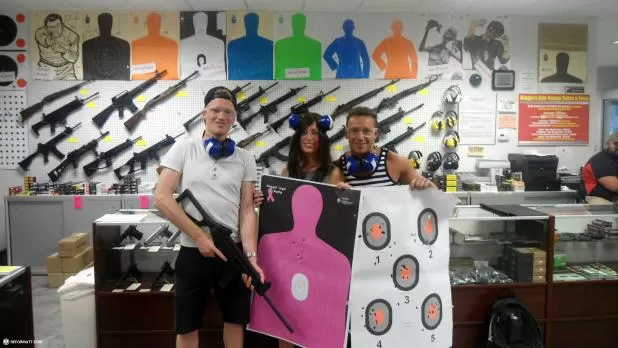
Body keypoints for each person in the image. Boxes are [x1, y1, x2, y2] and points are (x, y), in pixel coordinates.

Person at [154, 86, 264, 348]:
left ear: (234, 117)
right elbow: (162, 197)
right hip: (193, 252)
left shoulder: (246, 157)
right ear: (204, 113)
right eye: (215, 110)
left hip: (232, 254)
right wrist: (199, 236)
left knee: (236, 321)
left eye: (228, 112)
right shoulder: (183, 149)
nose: (221, 116)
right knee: (187, 325)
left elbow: (247, 211)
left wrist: (251, 259)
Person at [252, 111, 346, 348]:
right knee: (287, 325)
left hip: (318, 259)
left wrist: (346, 195)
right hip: (292, 258)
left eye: (315, 132)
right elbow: (278, 213)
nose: (309, 137)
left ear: (323, 138)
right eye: (304, 132)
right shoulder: (287, 171)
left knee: (316, 326)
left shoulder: (333, 173)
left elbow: (339, 217)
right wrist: (262, 200)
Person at [331, 106, 436, 189]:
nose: (360, 137)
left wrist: (427, 186)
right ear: (346, 134)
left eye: (366, 131)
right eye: (354, 130)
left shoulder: (397, 161)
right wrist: (337, 195)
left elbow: (433, 195)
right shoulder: (337, 168)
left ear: (375, 134)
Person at [581, 134, 618, 204]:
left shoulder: (614, 158)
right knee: (610, 211)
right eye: (616, 143)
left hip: (613, 197)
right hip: (596, 197)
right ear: (608, 143)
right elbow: (615, 186)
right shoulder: (600, 160)